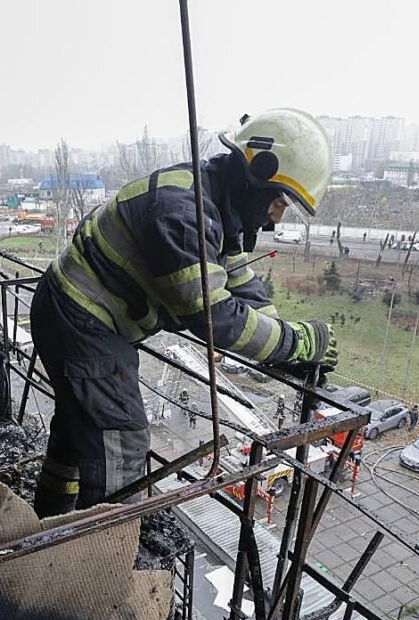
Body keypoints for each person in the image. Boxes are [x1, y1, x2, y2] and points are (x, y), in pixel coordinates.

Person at [30, 108, 339, 517]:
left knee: (78, 431)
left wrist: (287, 342)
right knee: (121, 445)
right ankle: (101, 561)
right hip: (80, 322)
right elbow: (216, 318)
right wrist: (296, 341)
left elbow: (241, 281)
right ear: (258, 174)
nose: (276, 217)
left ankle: (48, 522)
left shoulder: (215, 199)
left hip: (77, 314)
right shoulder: (185, 213)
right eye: (280, 202)